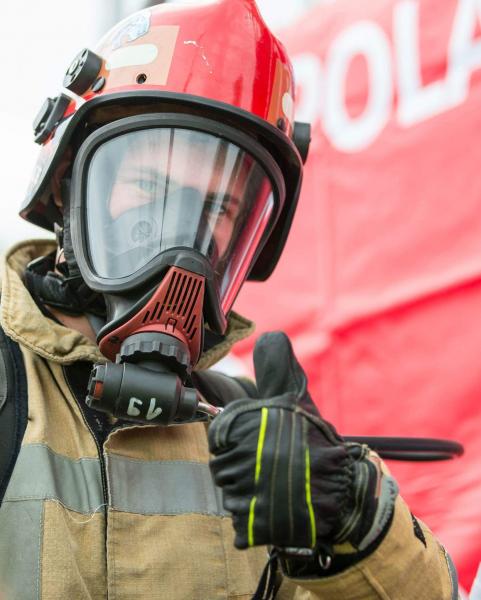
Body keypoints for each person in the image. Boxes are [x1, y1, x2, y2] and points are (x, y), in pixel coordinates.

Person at [0, 1, 457, 598]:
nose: (182, 247)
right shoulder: (11, 393)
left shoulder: (258, 438)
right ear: (66, 186)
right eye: (148, 186)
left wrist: (350, 518)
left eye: (218, 209)